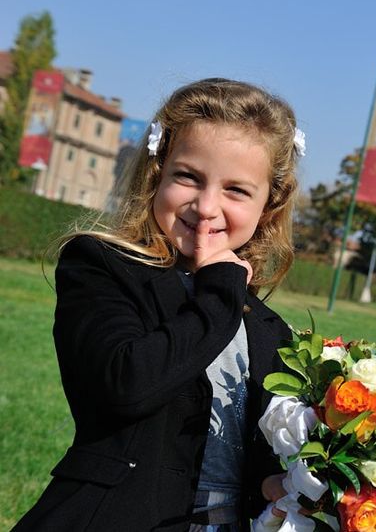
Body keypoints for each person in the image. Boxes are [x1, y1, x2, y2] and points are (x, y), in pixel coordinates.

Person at [13, 78, 304, 532]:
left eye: (236, 190)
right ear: (157, 173)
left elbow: (249, 453)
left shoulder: (270, 331)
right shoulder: (103, 267)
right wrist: (219, 291)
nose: (206, 206)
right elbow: (126, 386)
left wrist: (283, 480)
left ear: (269, 205)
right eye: (188, 176)